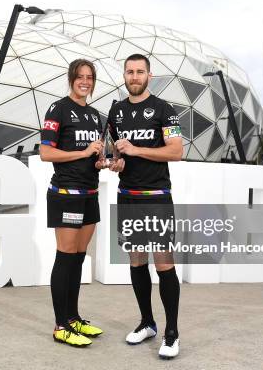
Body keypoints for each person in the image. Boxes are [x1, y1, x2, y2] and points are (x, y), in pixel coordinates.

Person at [105, 53, 183, 359]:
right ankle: (147, 323)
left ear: (149, 75)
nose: (134, 77)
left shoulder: (166, 110)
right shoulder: (116, 112)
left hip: (157, 197)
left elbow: (176, 152)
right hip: (128, 196)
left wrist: (136, 148)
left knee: (164, 264)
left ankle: (172, 333)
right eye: (130, 72)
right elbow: (117, 152)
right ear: (124, 76)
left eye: (140, 72)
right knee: (136, 262)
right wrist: (116, 162)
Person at [39, 59, 105, 347]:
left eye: (90, 77)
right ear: (71, 79)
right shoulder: (58, 109)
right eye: (80, 77)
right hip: (66, 193)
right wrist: (83, 153)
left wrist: (101, 161)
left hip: (90, 193)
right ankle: (60, 325)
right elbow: (45, 153)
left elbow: (92, 155)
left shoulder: (94, 115)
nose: (85, 82)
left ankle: (74, 317)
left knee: (79, 257)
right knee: (65, 255)